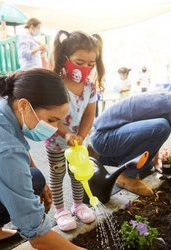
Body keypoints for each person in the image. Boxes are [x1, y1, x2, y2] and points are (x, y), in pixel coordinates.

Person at [0, 69, 85, 250]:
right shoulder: (6, 150)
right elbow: (39, 237)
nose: (55, 128)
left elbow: (17, 150)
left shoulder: (0, 103)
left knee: (35, 178)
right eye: (51, 119)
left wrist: (39, 181)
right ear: (24, 105)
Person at [90, 72, 171, 197]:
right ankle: (126, 176)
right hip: (104, 137)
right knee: (162, 127)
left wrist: (155, 161)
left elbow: (149, 133)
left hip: (110, 133)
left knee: (147, 164)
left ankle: (102, 157)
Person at [45, 30, 105, 231]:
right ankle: (61, 210)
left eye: (90, 64)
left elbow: (89, 114)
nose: (86, 68)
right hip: (56, 140)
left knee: (79, 173)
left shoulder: (89, 86)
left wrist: (80, 135)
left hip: (77, 142)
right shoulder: (55, 84)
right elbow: (51, 116)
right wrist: (66, 134)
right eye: (79, 63)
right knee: (57, 173)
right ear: (65, 58)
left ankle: (78, 205)